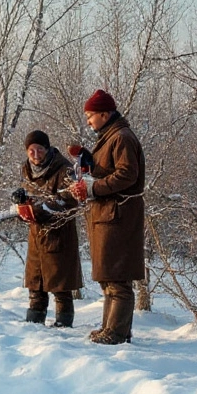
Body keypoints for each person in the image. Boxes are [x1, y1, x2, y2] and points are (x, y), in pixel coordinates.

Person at [70, 90, 145, 345]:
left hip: (119, 217)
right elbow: (110, 172)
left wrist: (93, 187)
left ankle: (117, 333)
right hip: (107, 216)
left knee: (118, 278)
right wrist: (90, 172)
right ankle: (109, 328)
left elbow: (127, 175)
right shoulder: (110, 137)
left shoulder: (121, 137)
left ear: (105, 114)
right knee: (108, 278)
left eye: (90, 116)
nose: (88, 121)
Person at [13, 129, 83, 327]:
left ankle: (64, 327)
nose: (36, 155)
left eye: (40, 149)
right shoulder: (26, 171)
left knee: (61, 287)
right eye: (31, 151)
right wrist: (22, 205)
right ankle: (34, 324)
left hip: (60, 235)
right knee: (36, 285)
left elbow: (70, 201)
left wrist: (41, 210)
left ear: (48, 148)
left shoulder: (65, 170)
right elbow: (29, 198)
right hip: (36, 237)